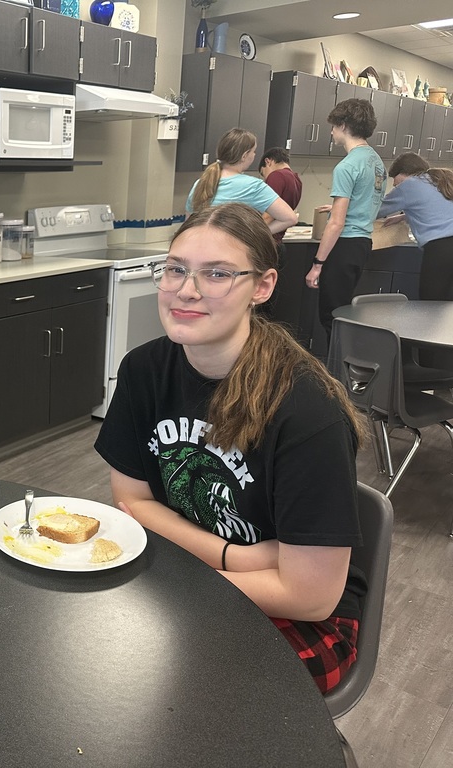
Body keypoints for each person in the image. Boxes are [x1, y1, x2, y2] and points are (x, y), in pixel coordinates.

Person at [95, 202, 367, 694]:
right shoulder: (144, 371)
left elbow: (309, 597)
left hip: (303, 621)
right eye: (175, 269)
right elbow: (130, 502)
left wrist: (187, 584)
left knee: (153, 679)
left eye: (217, 274)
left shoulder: (307, 409)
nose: (186, 290)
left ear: (262, 286)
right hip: (197, 567)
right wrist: (236, 555)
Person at [305, 98, 386, 343]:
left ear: (343, 125)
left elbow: (336, 224)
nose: (331, 131)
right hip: (362, 244)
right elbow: (368, 199)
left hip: (343, 246)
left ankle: (336, 376)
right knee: (343, 312)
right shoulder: (377, 162)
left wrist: (318, 264)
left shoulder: (347, 166)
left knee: (331, 318)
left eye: (333, 125)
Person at [186, 128, 298, 235]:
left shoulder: (200, 183)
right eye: (253, 151)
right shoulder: (254, 186)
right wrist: (252, 237)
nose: (254, 155)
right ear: (244, 156)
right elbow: (290, 218)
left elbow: (188, 224)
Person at [377, 152, 453, 301]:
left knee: (431, 304)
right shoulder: (436, 180)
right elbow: (437, 209)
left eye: (395, 179)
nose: (394, 184)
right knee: (447, 307)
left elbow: (375, 210)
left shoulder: (410, 185)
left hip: (441, 250)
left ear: (405, 173)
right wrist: (404, 216)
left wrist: (340, 208)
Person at [258, 147, 303, 243]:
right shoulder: (297, 180)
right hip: (278, 239)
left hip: (268, 240)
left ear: (268, 162)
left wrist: (252, 234)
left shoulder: (276, 176)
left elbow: (268, 216)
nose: (265, 179)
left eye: (263, 173)